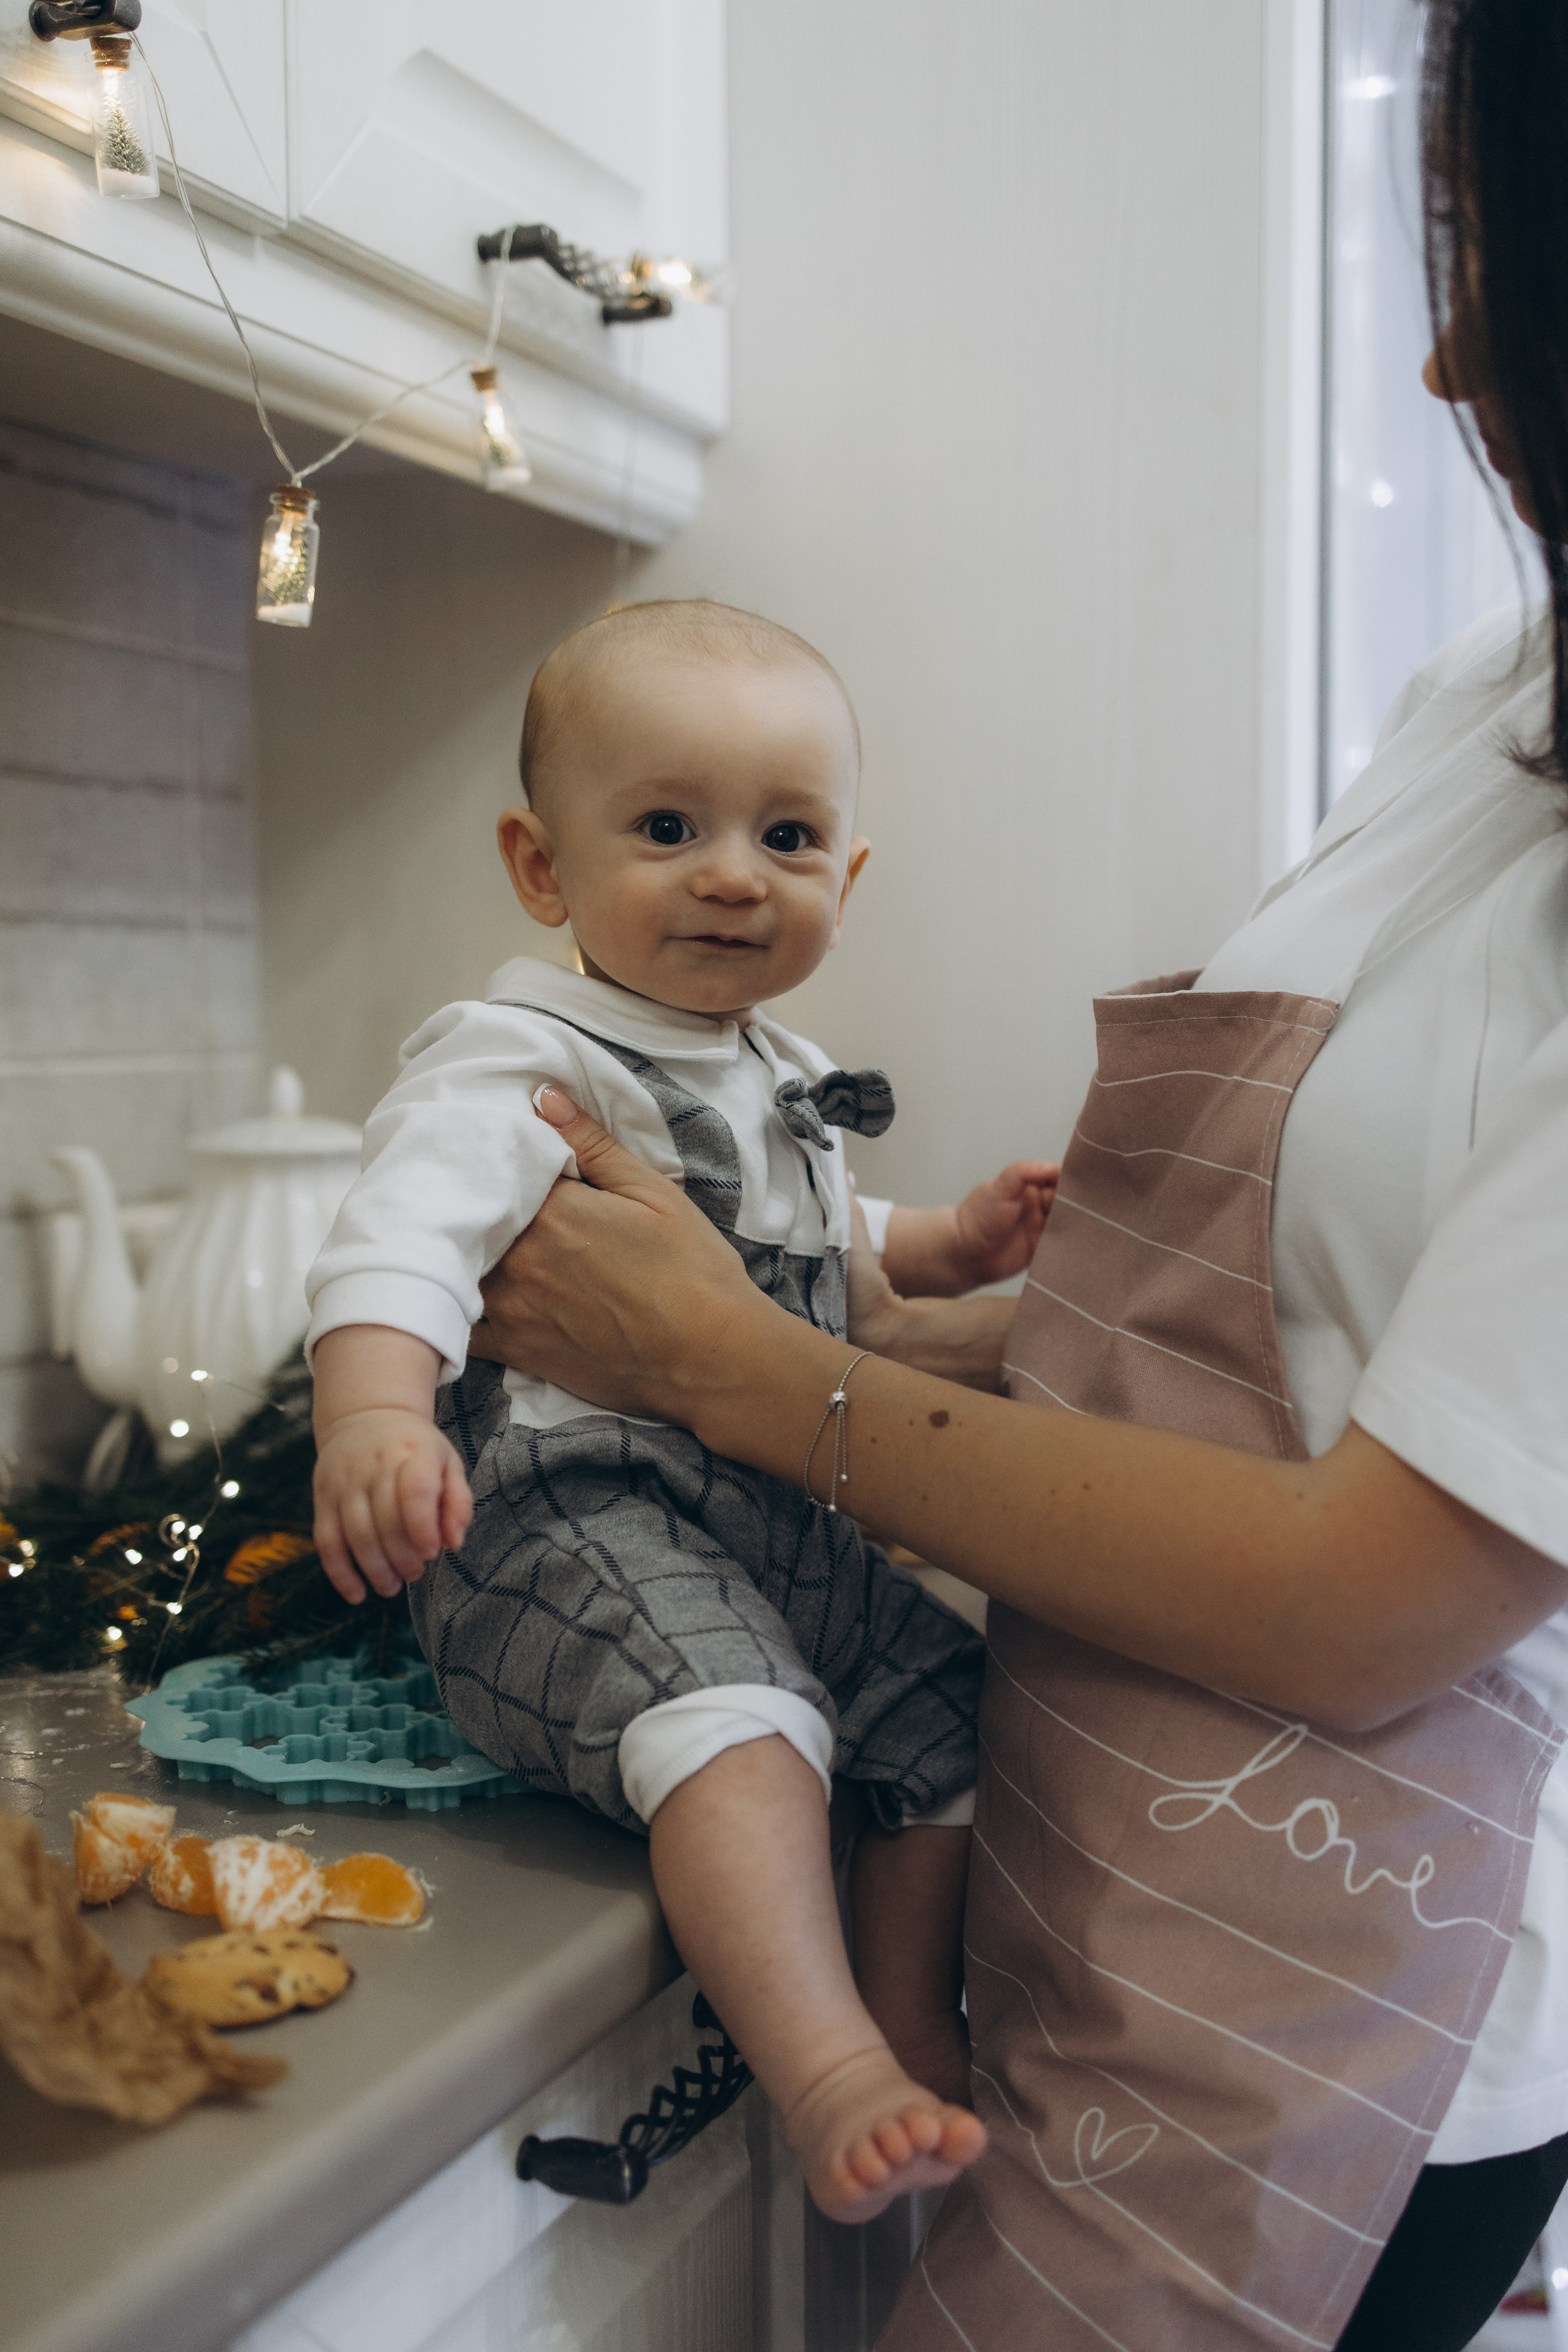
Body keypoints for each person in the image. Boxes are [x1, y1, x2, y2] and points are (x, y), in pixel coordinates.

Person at [460, 4, 1568, 2344]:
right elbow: (1312, 1316)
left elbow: (1372, 1593)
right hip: (1090, 1846)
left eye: (1507, 268)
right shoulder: (1488, 694)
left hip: (1347, 2008)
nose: (1457, 357)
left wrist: (755, 1373)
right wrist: (931, 1306)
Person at [304, 597, 1061, 2224]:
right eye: (667, 826)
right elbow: (401, 1239)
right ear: (540, 866)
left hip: (772, 1514)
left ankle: (913, 2015)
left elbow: (832, 1262)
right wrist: (375, 1418)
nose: (733, 871)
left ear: (845, 882)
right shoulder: (521, 1056)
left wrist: (948, 1246)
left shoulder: (775, 1067)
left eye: (788, 835)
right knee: (744, 1720)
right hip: (566, 1521)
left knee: (960, 1715)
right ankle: (826, 2065)